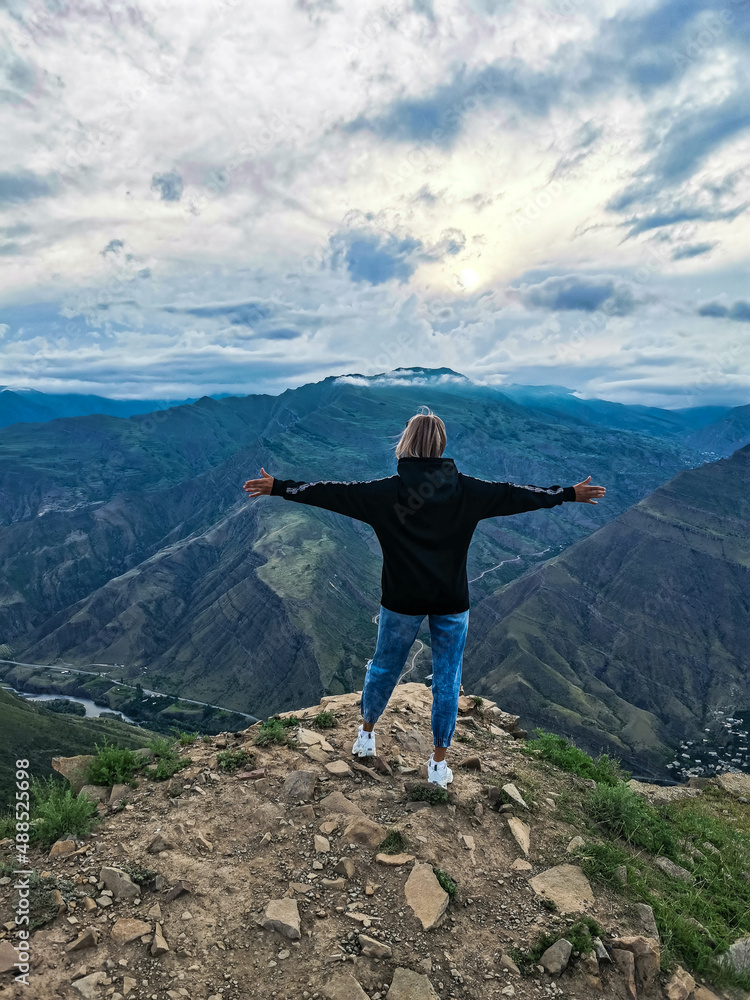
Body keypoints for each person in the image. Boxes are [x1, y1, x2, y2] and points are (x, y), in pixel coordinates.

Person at [243, 406, 605, 788]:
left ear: (405, 444)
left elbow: (331, 493)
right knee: (448, 680)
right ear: (441, 446)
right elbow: (516, 495)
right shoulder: (468, 490)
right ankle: (437, 764)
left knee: (383, 667)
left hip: (401, 598)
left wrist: (280, 487)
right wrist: (567, 494)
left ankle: (365, 736)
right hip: (451, 599)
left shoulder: (384, 493)